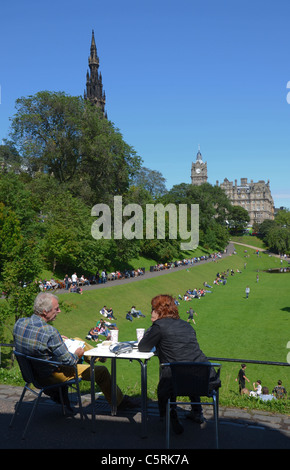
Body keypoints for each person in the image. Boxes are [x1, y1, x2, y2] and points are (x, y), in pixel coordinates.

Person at [13, 292, 139, 413]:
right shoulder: (49, 331)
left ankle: (99, 356)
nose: (59, 311)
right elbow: (69, 361)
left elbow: (33, 341)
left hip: (32, 373)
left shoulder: (20, 323)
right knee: (101, 372)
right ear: (45, 311)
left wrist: (57, 340)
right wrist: (77, 354)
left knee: (77, 340)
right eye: (56, 309)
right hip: (50, 376)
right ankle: (119, 402)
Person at [138, 294, 220, 435]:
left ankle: (170, 413)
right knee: (190, 367)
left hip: (176, 379)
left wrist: (153, 326)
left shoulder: (159, 326)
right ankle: (197, 412)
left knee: (172, 377)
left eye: (153, 309)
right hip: (205, 376)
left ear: (159, 310)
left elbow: (143, 347)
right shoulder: (186, 325)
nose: (151, 312)